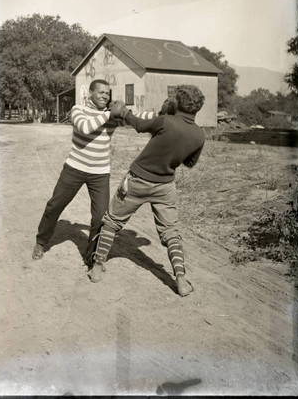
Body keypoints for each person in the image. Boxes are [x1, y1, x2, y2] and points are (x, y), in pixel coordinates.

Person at [88, 84, 206, 297]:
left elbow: (139, 125)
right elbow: (189, 162)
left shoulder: (165, 121)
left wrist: (123, 111)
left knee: (112, 221)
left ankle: (96, 267)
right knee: (171, 232)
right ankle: (181, 280)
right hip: (165, 186)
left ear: (178, 103)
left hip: (138, 179)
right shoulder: (199, 135)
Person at [32, 79, 154, 266]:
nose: (105, 96)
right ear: (91, 93)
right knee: (54, 206)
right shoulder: (78, 109)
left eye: (107, 93)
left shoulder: (110, 114)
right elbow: (85, 127)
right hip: (74, 168)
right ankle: (41, 242)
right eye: (101, 92)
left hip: (100, 173)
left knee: (100, 217)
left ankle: (91, 257)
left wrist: (162, 114)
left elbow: (139, 117)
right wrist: (108, 115)